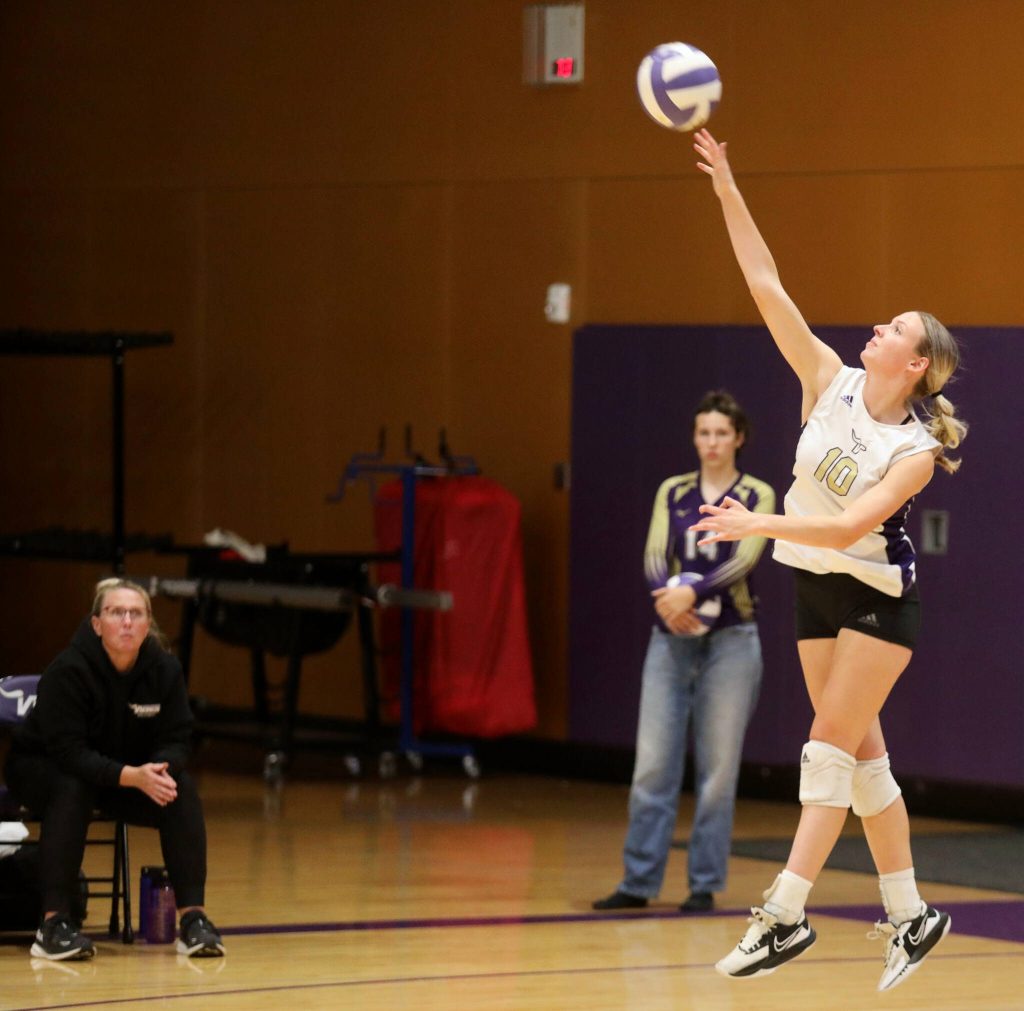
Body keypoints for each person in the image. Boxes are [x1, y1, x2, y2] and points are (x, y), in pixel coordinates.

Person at [690, 128, 967, 991]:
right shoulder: (829, 377)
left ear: (915, 364)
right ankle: (912, 911)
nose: (875, 327)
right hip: (815, 587)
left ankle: (784, 913)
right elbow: (765, 282)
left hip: (879, 599)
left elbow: (851, 527)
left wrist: (757, 526)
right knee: (863, 763)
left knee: (824, 753)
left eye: (894, 329)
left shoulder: (913, 447)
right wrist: (727, 183)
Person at [593, 390, 775, 915]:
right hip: (670, 638)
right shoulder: (673, 491)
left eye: (722, 433)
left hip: (733, 642)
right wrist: (668, 602)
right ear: (694, 438)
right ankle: (638, 881)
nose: (712, 443)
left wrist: (693, 592)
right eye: (703, 433)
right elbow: (655, 553)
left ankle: (703, 884)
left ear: (738, 438)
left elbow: (745, 558)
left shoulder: (756, 493)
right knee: (652, 764)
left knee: (718, 771)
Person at [4, 578, 225, 961]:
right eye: (115, 612)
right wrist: (131, 776)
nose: (126, 621)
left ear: (147, 622)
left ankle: (193, 921)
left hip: (121, 774)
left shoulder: (164, 669)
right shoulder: (69, 669)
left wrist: (157, 771)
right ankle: (53, 924)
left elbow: (178, 737)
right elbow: (69, 753)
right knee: (72, 786)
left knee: (180, 787)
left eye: (135, 613)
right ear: (96, 624)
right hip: (42, 769)